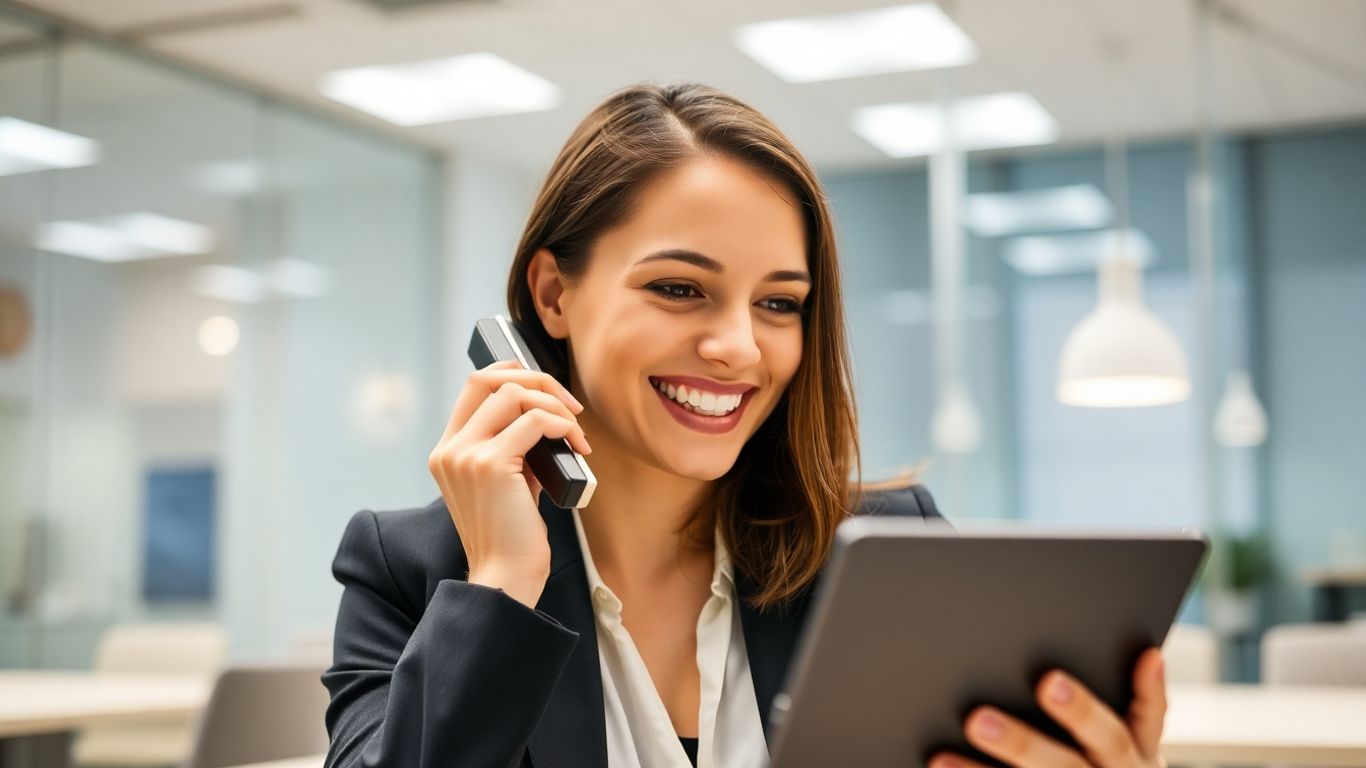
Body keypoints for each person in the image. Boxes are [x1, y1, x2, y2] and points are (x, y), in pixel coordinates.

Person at [321, 82, 1169, 768]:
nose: (738, 348)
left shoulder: (884, 556)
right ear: (553, 294)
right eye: (680, 288)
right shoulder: (415, 573)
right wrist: (502, 580)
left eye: (779, 303)